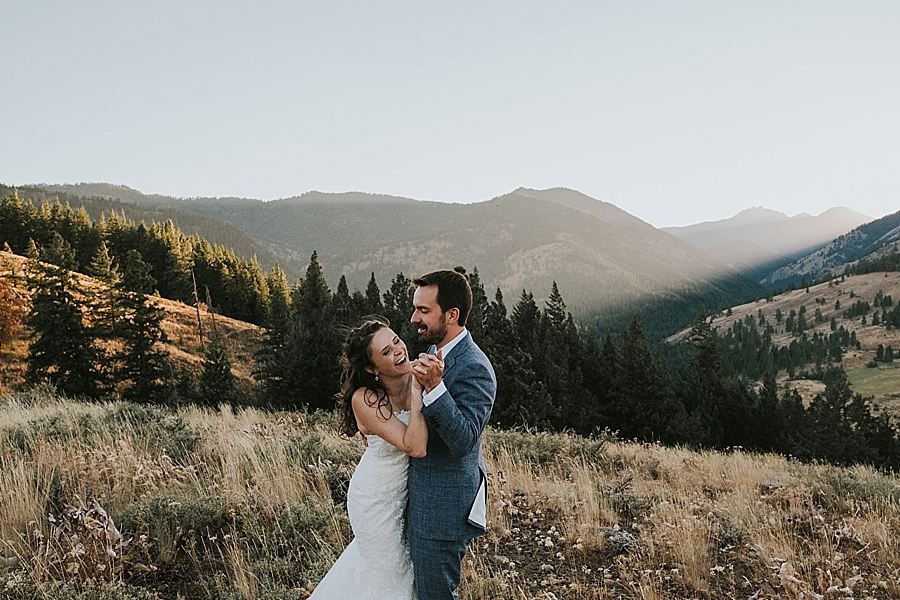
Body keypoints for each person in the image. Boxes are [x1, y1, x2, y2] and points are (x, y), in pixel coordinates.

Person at [309, 318, 429, 600]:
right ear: (371, 368)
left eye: (396, 341)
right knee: (390, 575)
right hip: (375, 499)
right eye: (386, 352)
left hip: (406, 495)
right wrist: (417, 391)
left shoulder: (416, 374)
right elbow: (415, 446)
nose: (398, 350)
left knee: (394, 570)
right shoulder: (365, 399)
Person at [407, 270, 497, 600]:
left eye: (424, 311)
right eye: (416, 308)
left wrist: (434, 386)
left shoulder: (476, 367)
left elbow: (463, 441)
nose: (414, 317)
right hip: (420, 503)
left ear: (452, 315)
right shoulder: (434, 350)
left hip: (442, 511)